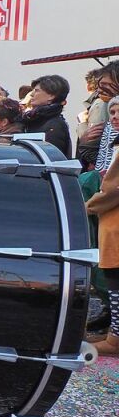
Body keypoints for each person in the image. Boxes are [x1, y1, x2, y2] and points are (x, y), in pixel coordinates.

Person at [87, 101, 119, 356]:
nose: (115, 116)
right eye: (113, 112)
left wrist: (85, 206)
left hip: (115, 223)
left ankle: (115, 338)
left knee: (115, 281)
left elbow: (112, 190)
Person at [20, 75, 71, 156]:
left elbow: (53, 158)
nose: (31, 94)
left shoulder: (54, 125)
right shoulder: (34, 119)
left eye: (37, 91)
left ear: (51, 96)